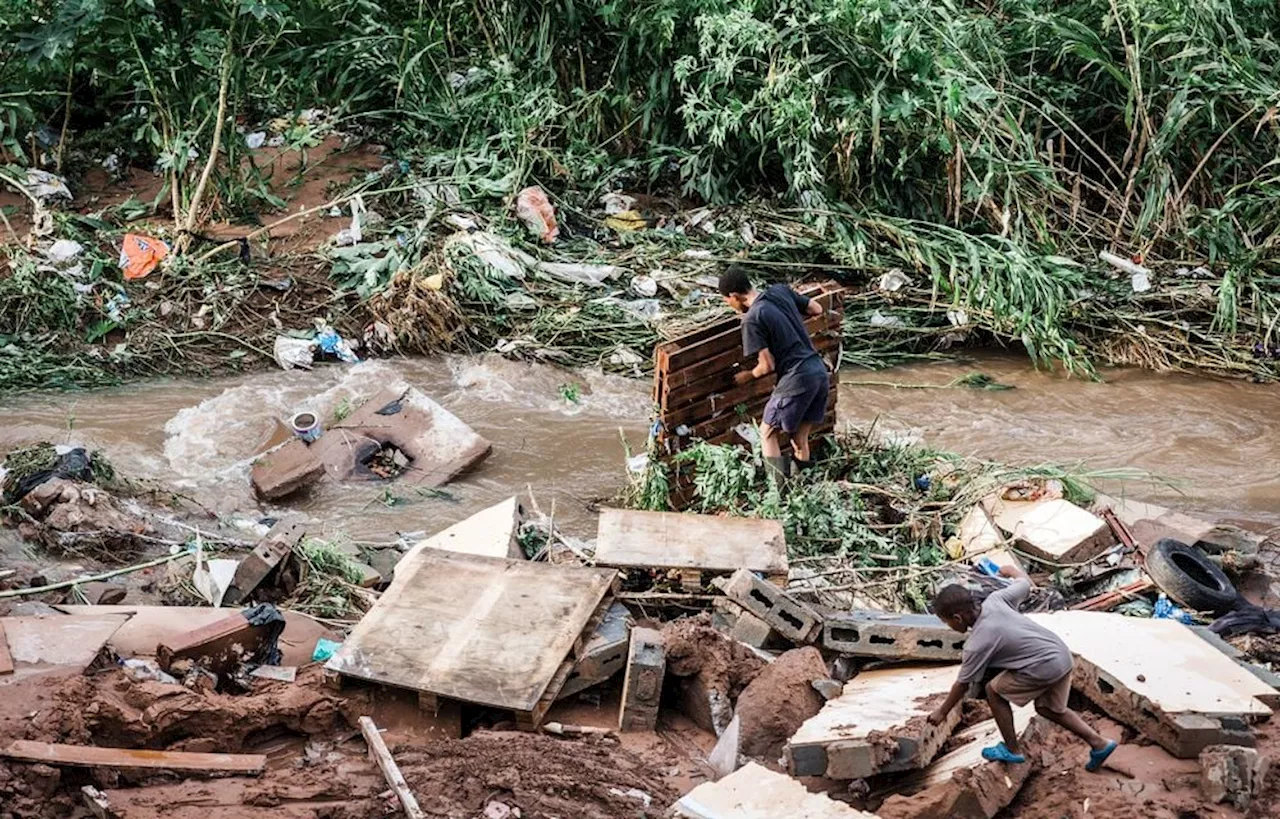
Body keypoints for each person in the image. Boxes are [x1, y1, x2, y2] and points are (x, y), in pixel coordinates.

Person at [927, 565, 1119, 770]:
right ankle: (1099, 744)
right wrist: (1012, 571)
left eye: (947, 622)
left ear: (957, 617)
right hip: (1061, 654)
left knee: (993, 691)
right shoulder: (996, 600)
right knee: (1049, 708)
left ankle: (1012, 749)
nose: (949, 627)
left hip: (1044, 665)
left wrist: (942, 712)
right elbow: (1025, 584)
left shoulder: (978, 643)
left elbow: (962, 684)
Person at [718, 266, 827, 483]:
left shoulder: (752, 319)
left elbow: (766, 366)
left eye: (726, 301)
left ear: (734, 296)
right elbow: (816, 309)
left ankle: (779, 492)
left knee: (767, 432)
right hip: (818, 371)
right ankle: (802, 488)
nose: (728, 305)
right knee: (799, 439)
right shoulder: (780, 291)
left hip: (797, 377)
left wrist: (746, 376)